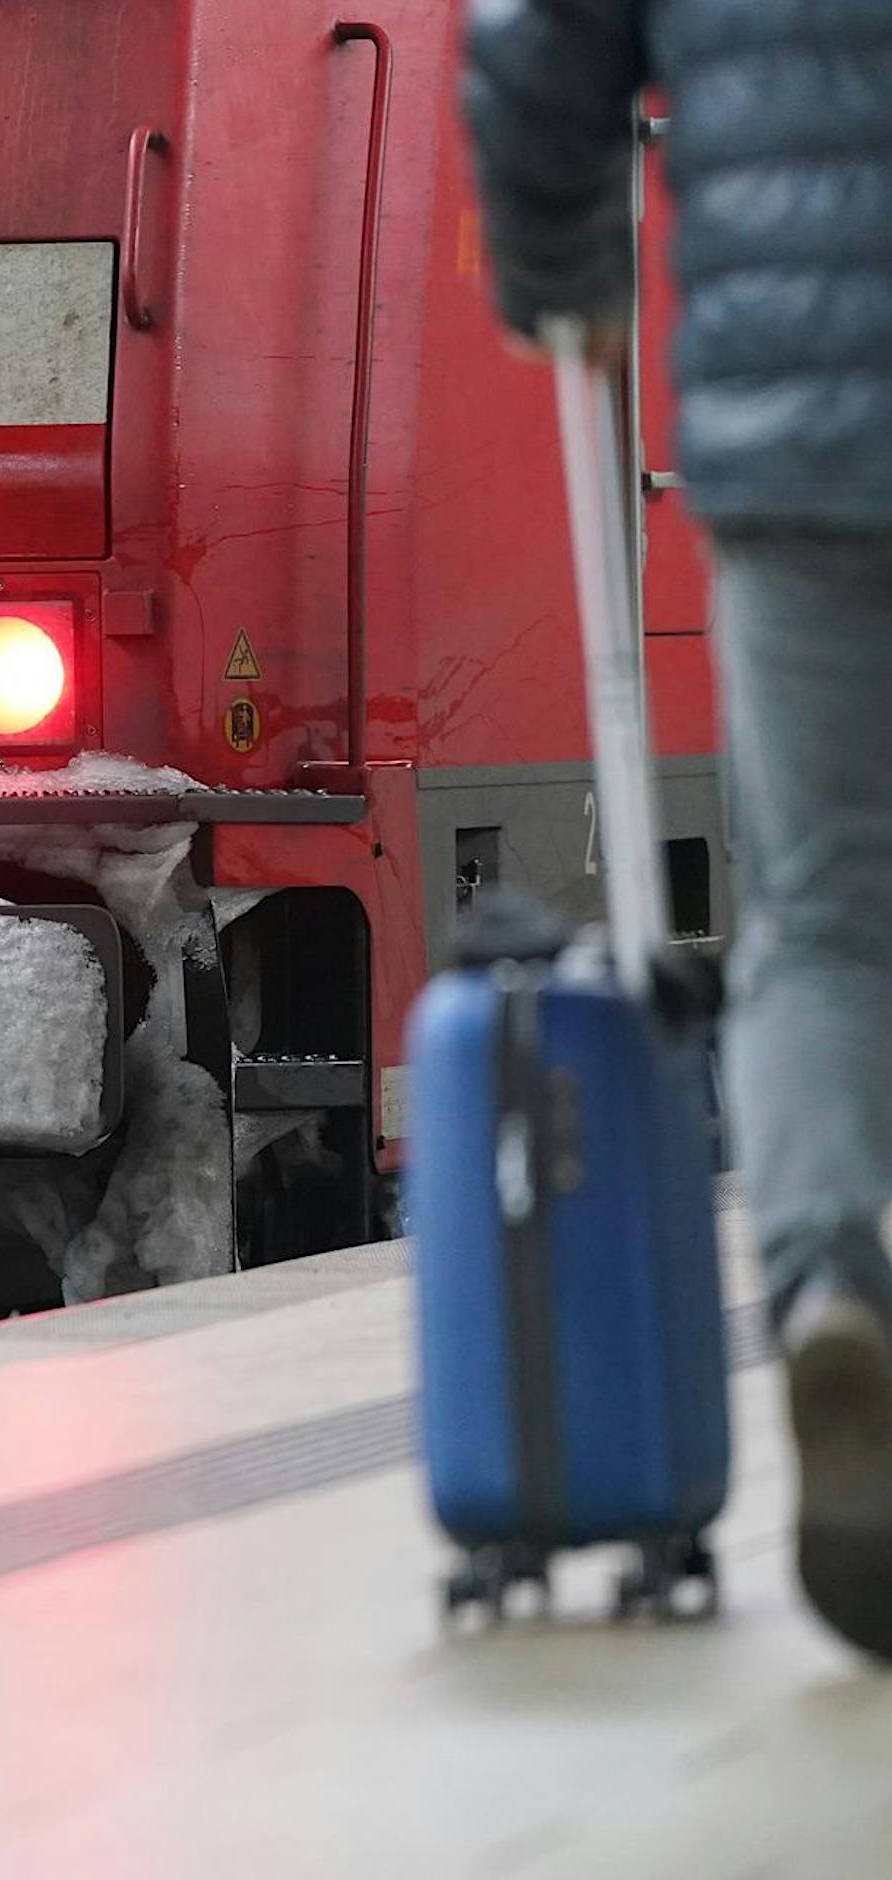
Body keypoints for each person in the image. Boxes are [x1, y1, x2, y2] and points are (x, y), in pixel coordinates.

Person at [463, 0, 892, 1659]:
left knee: (831, 927)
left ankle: (832, 1292)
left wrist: (558, 268)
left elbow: (531, 46)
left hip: (804, 457)